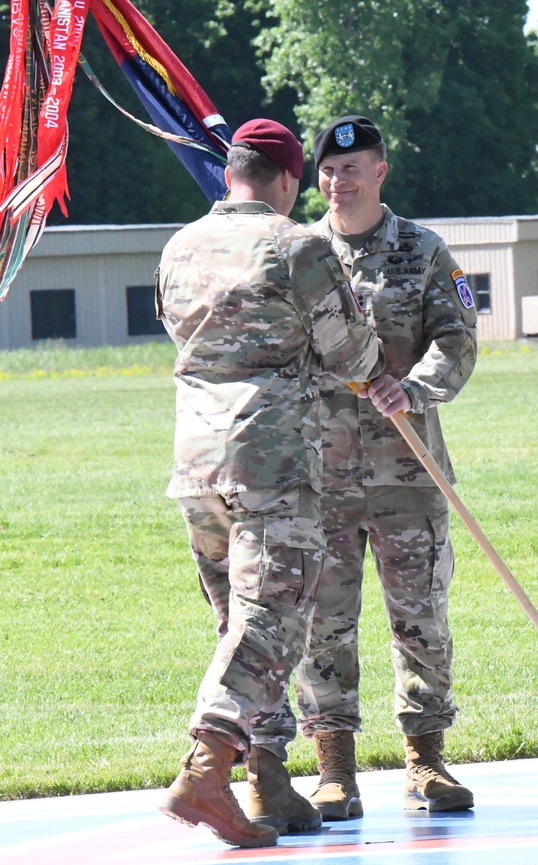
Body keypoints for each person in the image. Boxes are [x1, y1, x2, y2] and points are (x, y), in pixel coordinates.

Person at [156, 119, 382, 848]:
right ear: (288, 181)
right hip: (271, 462)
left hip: (197, 461)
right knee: (271, 619)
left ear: (230, 175)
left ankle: (269, 782)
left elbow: (178, 331)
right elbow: (352, 351)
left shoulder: (179, 245)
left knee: (238, 623)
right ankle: (209, 763)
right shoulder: (300, 246)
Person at [287, 114, 478, 819]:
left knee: (421, 617)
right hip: (323, 476)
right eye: (328, 171)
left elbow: (457, 340)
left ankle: (426, 761)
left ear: (381, 172)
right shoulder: (301, 254)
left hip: (408, 471)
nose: (338, 182)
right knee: (324, 623)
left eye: (353, 169)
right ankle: (334, 768)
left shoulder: (423, 252)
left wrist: (417, 385)